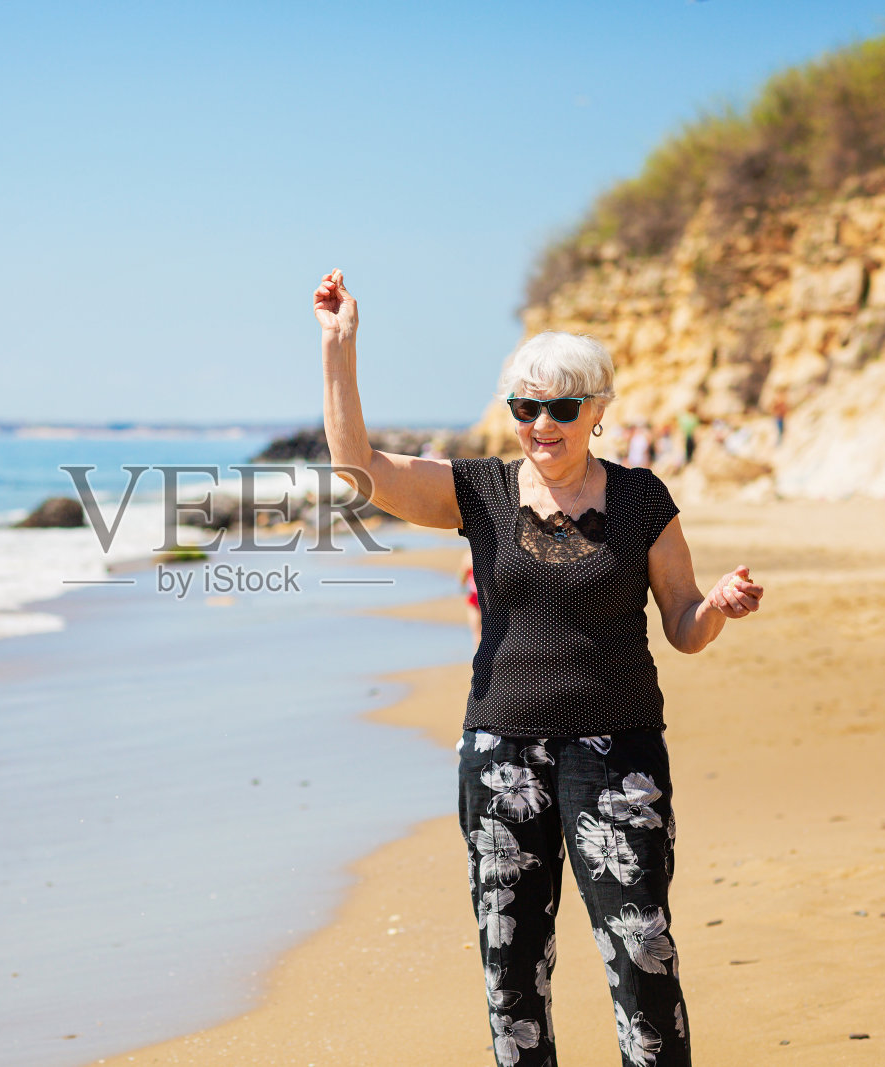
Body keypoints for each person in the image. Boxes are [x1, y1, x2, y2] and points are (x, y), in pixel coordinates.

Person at [313, 269, 764, 1067]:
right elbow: (359, 469)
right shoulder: (479, 492)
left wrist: (718, 607)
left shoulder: (641, 501)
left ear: (597, 409)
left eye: (560, 407)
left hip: (618, 755)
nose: (541, 424)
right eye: (525, 407)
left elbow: (684, 626)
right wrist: (339, 348)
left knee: (642, 956)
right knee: (512, 972)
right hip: (501, 754)